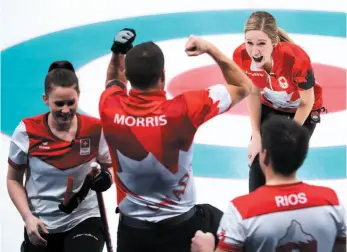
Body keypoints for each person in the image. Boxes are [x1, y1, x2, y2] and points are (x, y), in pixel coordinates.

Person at [98, 28, 252, 252]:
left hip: (133, 235)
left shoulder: (109, 107)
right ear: (163, 75)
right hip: (183, 230)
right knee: (237, 233)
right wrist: (209, 49)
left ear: (129, 78)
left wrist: (118, 52)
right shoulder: (185, 108)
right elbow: (243, 87)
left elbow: (113, 79)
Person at [191, 115, 346, 252]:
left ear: (264, 156)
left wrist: (205, 248)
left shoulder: (242, 210)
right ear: (302, 156)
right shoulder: (331, 201)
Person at [7, 60, 113, 252]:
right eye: (59, 104)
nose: (66, 110)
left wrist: (108, 177)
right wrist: (28, 218)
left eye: (71, 102)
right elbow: (13, 180)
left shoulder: (95, 129)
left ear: (79, 96)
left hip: (84, 217)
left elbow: (110, 166)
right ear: (45, 99)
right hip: (42, 222)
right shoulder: (27, 132)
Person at [232, 11, 325, 192]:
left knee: (282, 163)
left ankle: (283, 210)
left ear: (274, 43)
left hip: (303, 110)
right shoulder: (241, 56)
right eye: (249, 43)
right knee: (258, 162)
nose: (254, 51)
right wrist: (256, 135)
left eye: (261, 43)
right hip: (270, 105)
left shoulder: (296, 59)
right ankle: (257, 213)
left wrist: (288, 136)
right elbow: (253, 92)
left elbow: (306, 102)